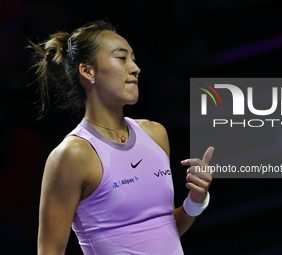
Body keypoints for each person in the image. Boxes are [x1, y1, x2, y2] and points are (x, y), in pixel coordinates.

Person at [29, 20, 214, 255]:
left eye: (134, 58)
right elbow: (49, 251)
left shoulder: (155, 134)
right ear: (88, 71)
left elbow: (163, 230)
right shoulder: (73, 155)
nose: (135, 67)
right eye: (121, 58)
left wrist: (196, 199)